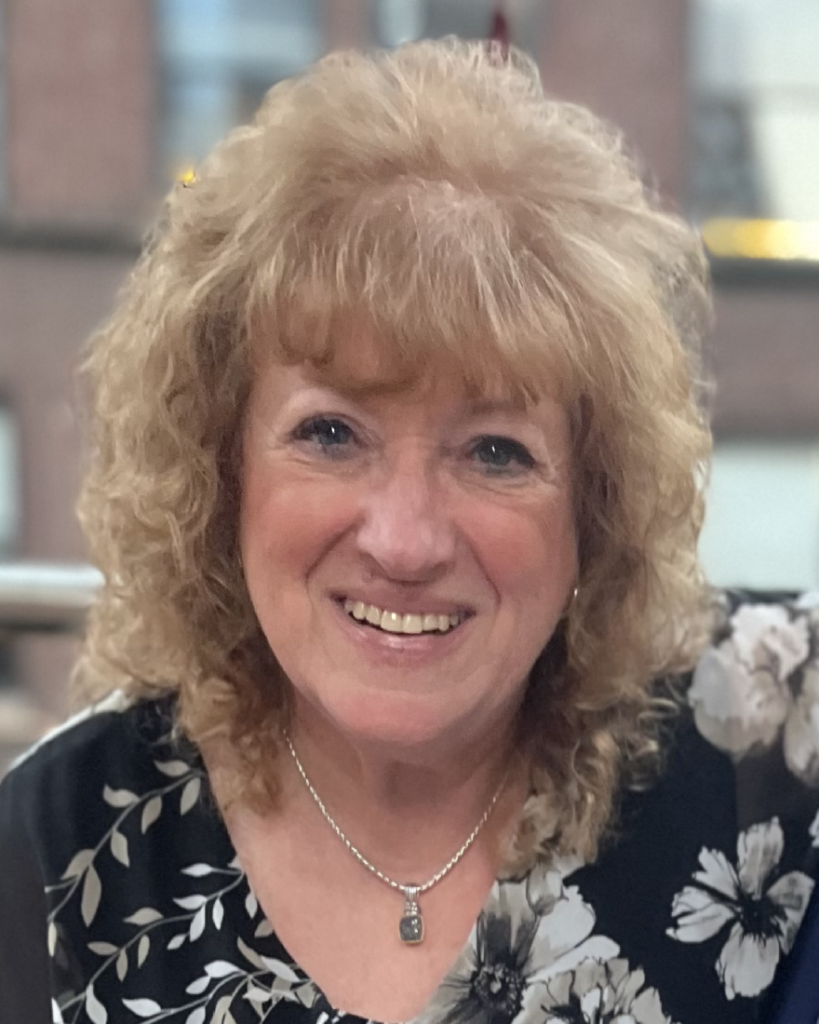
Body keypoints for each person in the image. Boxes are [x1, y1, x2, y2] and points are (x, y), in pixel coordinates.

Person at [0, 38, 817, 1024]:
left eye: (495, 452)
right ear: (222, 470)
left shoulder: (758, 740)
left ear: (593, 508)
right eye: (330, 434)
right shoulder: (50, 859)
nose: (405, 540)